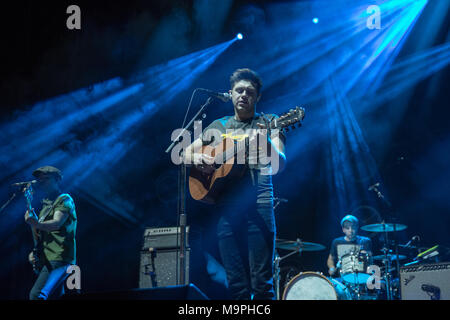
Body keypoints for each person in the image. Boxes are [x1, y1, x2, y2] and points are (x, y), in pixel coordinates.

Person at [183, 68, 286, 300]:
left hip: (259, 201)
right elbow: (185, 153)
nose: (244, 95)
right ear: (230, 94)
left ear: (257, 97)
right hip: (225, 205)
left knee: (262, 282)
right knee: (236, 282)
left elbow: (282, 163)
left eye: (250, 92)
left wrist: (266, 140)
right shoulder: (219, 126)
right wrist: (200, 158)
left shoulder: (270, 122)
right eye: (239, 90)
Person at [24, 166, 77, 300]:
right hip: (48, 258)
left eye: (46, 179)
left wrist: (36, 223)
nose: (42, 182)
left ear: (57, 180)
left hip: (59, 257)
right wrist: (35, 251)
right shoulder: (46, 206)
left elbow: (56, 223)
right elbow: (40, 232)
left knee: (37, 295)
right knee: (56, 297)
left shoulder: (64, 199)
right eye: (40, 180)